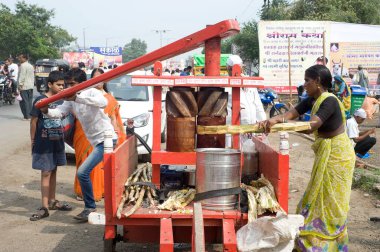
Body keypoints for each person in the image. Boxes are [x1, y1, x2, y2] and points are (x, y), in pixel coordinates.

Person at [259, 65, 355, 251]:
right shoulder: (312, 99)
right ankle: (312, 241)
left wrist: (283, 124)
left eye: (307, 81)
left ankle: (328, 243)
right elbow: (290, 113)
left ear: (317, 81)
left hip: (338, 157)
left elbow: (312, 125)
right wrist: (273, 120)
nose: (304, 85)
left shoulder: (330, 101)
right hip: (326, 154)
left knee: (332, 201)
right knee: (317, 196)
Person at [41, 68, 115, 222]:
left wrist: (77, 98)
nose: (69, 87)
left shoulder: (92, 92)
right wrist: (46, 110)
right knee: (95, 174)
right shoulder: (70, 98)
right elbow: (59, 112)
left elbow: (103, 102)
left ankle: (90, 208)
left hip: (106, 140)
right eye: (68, 84)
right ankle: (95, 207)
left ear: (83, 83)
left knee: (83, 173)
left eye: (73, 84)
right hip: (95, 141)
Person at [73, 68, 126, 201]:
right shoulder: (79, 95)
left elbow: (113, 119)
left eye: (100, 78)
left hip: (103, 137)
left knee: (96, 167)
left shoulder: (106, 97)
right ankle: (83, 193)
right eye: (95, 78)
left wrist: (117, 135)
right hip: (83, 133)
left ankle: (96, 194)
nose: (98, 81)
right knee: (83, 164)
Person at [30, 71, 72, 221]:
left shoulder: (62, 100)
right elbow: (34, 121)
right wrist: (33, 140)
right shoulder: (40, 100)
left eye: (63, 85)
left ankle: (53, 201)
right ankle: (44, 206)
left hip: (58, 141)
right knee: (46, 172)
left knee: (54, 170)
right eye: (58, 85)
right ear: (49, 84)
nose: (62, 87)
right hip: (44, 142)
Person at [226, 55, 266, 147]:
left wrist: (263, 125)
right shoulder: (225, 86)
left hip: (252, 130)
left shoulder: (249, 83)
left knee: (251, 155)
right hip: (234, 131)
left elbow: (258, 106)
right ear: (228, 69)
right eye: (231, 69)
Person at [18, 54, 35, 120]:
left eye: (20, 58)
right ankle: (30, 115)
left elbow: (22, 76)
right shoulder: (31, 66)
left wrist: (20, 85)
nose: (19, 59)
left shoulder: (23, 66)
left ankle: (26, 116)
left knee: (24, 102)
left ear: (25, 58)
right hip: (30, 86)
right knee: (29, 101)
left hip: (24, 86)